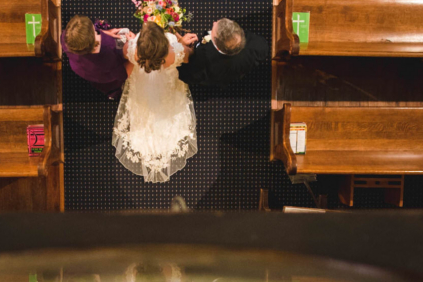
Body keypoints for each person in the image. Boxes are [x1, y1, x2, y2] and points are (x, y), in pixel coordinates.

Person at [112, 22, 200, 183]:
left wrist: (132, 43)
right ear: (162, 42)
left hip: (143, 90)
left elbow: (125, 57)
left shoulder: (132, 50)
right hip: (166, 88)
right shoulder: (174, 52)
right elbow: (189, 56)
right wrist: (181, 43)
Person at [177, 18, 269, 88]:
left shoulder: (205, 64)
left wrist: (180, 47)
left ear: (216, 47)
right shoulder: (260, 45)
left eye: (213, 30)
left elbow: (184, 76)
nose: (214, 22)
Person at [61, 15, 134, 99]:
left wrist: (107, 32)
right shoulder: (108, 58)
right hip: (109, 80)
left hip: (86, 72)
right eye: (93, 30)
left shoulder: (66, 38)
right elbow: (125, 72)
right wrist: (133, 48)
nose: (93, 26)